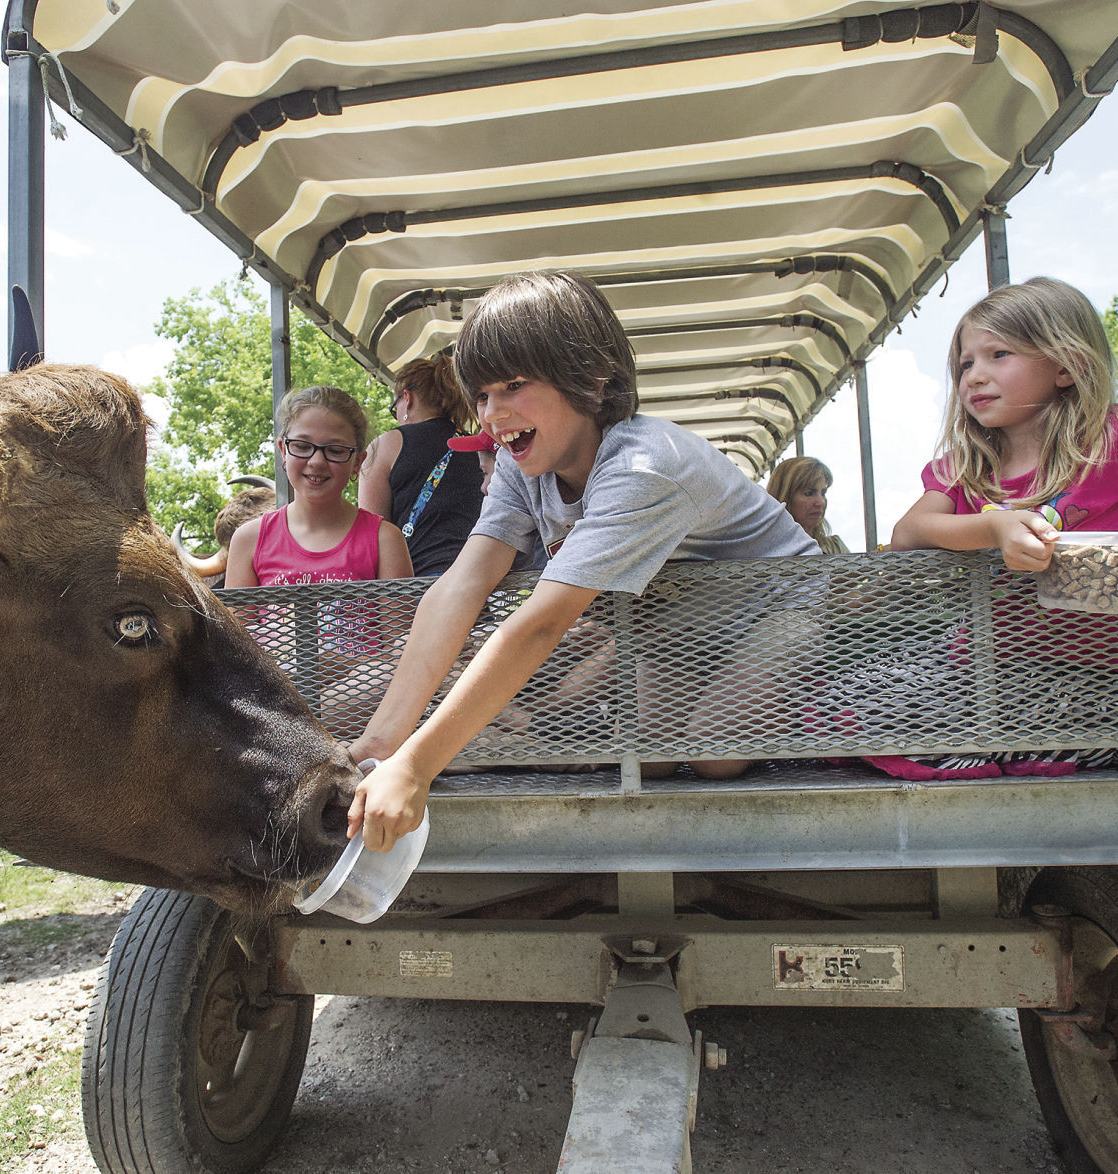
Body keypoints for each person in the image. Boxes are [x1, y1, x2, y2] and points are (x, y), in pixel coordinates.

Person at [346, 270, 818, 851]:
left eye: (514, 385)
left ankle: (821, 696)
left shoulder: (642, 467)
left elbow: (542, 623)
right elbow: (459, 586)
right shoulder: (523, 467)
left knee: (713, 754)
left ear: (591, 379)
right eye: (483, 395)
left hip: (783, 606)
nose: (493, 414)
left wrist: (416, 768)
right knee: (656, 760)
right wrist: (380, 743)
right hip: (682, 627)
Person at [880, 275, 1118, 777]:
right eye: (965, 363)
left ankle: (987, 764)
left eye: (998, 354)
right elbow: (908, 531)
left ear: (1066, 367)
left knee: (950, 736)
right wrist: (996, 528)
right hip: (977, 671)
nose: (974, 376)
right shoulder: (966, 463)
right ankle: (978, 760)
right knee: (828, 702)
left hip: (1095, 683)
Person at [225, 385, 413, 588]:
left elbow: (401, 620)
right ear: (283, 450)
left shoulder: (385, 541)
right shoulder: (249, 540)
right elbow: (238, 621)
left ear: (358, 462)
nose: (316, 461)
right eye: (302, 446)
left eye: (335, 450)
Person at [360, 354, 486, 575]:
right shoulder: (477, 448)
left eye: (394, 407)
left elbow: (370, 534)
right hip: (476, 582)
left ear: (407, 398)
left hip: (413, 588)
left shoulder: (387, 445)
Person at [766, 456, 849, 554]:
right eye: (809, 493)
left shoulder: (835, 548)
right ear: (784, 497)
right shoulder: (764, 551)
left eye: (823, 493)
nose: (820, 502)